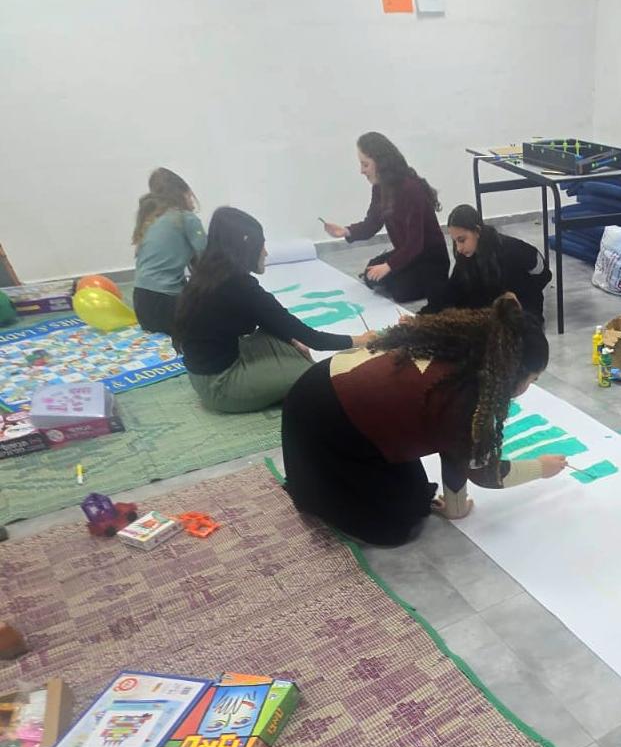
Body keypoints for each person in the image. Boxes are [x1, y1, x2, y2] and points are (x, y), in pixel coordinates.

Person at [281, 299, 565, 546]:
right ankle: (318, 492)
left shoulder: (459, 347)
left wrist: (455, 507)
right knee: (396, 525)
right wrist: (541, 467)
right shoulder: (463, 397)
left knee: (417, 495)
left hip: (319, 394)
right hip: (324, 423)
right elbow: (486, 473)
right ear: (511, 372)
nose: (528, 388)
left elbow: (455, 449)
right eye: (532, 379)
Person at [174, 207, 377, 414]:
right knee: (317, 379)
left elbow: (276, 324)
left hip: (205, 370)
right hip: (220, 385)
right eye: (262, 245)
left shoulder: (212, 272)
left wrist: (292, 340)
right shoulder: (241, 287)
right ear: (247, 247)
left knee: (288, 344)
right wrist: (361, 340)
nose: (266, 252)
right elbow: (313, 338)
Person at [321, 133, 449, 307]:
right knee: (371, 274)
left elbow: (415, 243)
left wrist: (389, 266)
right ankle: (396, 274)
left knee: (400, 291)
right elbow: (372, 223)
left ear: (380, 163)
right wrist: (346, 231)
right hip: (407, 255)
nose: (361, 171)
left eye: (365, 164)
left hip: (429, 259)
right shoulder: (379, 188)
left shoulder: (411, 189)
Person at [422, 205, 552, 318]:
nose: (459, 248)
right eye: (455, 241)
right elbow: (453, 290)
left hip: (520, 312)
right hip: (488, 312)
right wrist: (423, 316)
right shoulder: (465, 257)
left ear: (477, 231)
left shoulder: (512, 250)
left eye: (462, 240)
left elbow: (544, 274)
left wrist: (517, 296)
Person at [131, 168, 206, 335]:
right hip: (165, 301)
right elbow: (209, 259)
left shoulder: (150, 219)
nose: (192, 202)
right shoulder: (187, 218)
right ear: (184, 194)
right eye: (190, 196)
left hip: (141, 303)